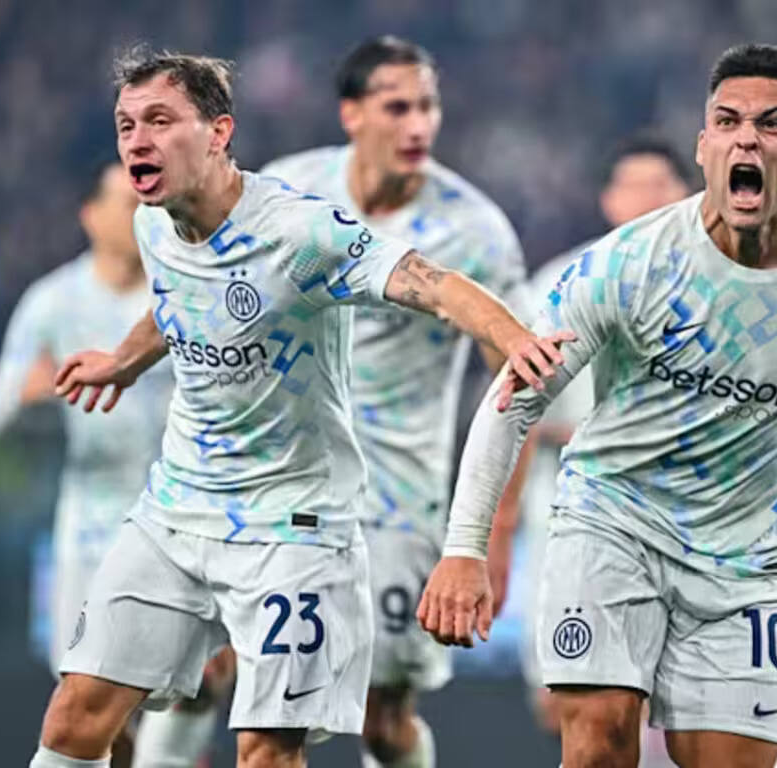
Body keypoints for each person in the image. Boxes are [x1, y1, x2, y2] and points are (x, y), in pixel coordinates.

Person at [27, 47, 565, 768]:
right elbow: (180, 300)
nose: (137, 141)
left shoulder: (303, 231)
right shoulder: (155, 225)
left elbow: (433, 283)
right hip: (179, 511)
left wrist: (513, 337)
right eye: (127, 125)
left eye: (160, 120)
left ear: (219, 132)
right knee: (75, 716)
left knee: (277, 749)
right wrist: (123, 360)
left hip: (294, 529)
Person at [418, 43, 777, 768]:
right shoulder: (627, 264)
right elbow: (515, 396)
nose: (747, 138)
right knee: (600, 747)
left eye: (770, 123)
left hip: (741, 557)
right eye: (727, 121)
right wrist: (465, 546)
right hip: (614, 527)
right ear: (704, 147)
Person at [262, 36, 530, 768]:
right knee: (265, 710)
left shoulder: (473, 230)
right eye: (397, 107)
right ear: (352, 113)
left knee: (383, 718)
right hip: (290, 483)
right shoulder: (289, 193)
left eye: (428, 107)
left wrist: (495, 530)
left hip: (400, 502)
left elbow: (521, 380)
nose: (418, 125)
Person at [0, 163, 225, 768]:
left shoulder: (184, 289)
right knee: (98, 710)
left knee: (201, 681)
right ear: (90, 216)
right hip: (89, 529)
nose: (143, 212)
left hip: (184, 517)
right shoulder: (53, 303)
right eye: (126, 201)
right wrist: (27, 397)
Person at [516, 132, 693, 734]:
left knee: (668, 697)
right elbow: (516, 406)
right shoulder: (560, 281)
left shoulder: (717, 281)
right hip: (570, 501)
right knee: (563, 698)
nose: (647, 199)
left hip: (683, 505)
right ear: (608, 200)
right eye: (633, 187)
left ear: (687, 195)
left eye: (660, 186)